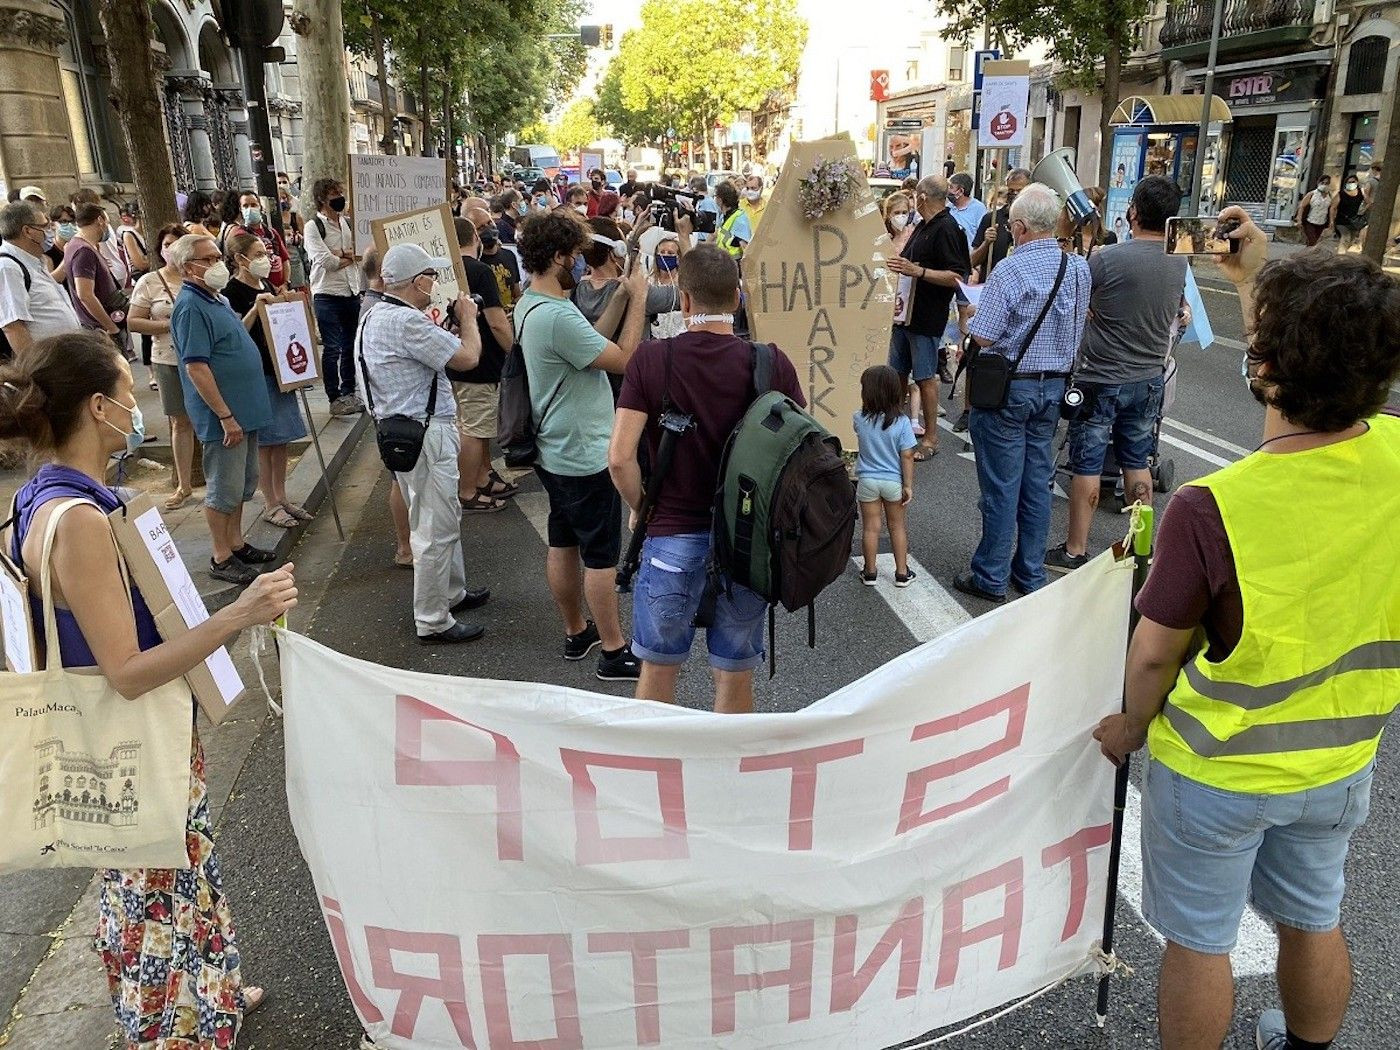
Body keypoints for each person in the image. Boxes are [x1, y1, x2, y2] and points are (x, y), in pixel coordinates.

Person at [1093, 208, 1400, 1050]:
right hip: (1340, 758)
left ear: (1262, 367)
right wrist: (1253, 275)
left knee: (1200, 943)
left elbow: (1153, 653)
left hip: (1218, 770)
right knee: (1313, 918)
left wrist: (1127, 726)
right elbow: (1320, 349)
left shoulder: (1212, 507)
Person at [0, 331, 296, 1049]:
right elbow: (128, 669)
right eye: (130, 390)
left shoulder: (41, 497)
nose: (140, 402)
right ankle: (169, 1031)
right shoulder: (80, 523)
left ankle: (213, 997)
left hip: (103, 738)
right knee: (152, 894)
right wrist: (239, 612)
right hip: (130, 739)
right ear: (98, 407)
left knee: (176, 876)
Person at [608, 243, 806, 712]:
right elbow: (797, 451)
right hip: (745, 542)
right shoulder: (770, 362)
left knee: (659, 668)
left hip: (672, 535)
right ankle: (726, 777)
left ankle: (657, 777)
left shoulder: (653, 360)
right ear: (737, 299)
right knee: (734, 672)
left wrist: (642, 509)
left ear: (685, 300)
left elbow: (619, 458)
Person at [515, 209, 649, 681]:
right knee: (601, 556)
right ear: (556, 257)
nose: (579, 263)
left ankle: (577, 631)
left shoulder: (532, 303)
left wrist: (622, 294)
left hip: (555, 448)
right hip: (583, 453)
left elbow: (591, 339)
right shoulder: (555, 316)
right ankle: (614, 650)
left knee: (563, 540)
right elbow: (625, 360)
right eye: (572, 255)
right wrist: (639, 302)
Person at [954, 183, 1090, 603]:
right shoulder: (1078, 269)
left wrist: (968, 320)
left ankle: (991, 575)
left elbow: (986, 338)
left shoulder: (1010, 270)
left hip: (1010, 391)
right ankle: (1029, 573)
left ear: (1018, 226)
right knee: (1037, 484)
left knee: (1000, 485)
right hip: (1054, 389)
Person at [1046, 175, 1187, 573]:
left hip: (1101, 376)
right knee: (1137, 462)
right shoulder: (1179, 260)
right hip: (1148, 377)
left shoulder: (1107, 258)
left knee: (1087, 464)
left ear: (1134, 212)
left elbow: (1075, 299)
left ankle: (1075, 550)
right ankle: (1140, 548)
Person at [360, 244, 490, 643]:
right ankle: (433, 618)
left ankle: (451, 592)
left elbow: (431, 356)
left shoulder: (375, 315)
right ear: (418, 281)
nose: (435, 283)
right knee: (436, 525)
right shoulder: (406, 322)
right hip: (425, 431)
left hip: (401, 430)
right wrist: (468, 319)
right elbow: (468, 357)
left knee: (435, 514)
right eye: (431, 276)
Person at [168, 233, 278, 585]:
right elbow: (196, 366)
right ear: (188, 268)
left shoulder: (214, 298)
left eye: (218, 257)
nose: (218, 264)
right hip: (224, 416)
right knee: (223, 486)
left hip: (244, 409)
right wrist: (224, 415)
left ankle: (236, 542)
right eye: (210, 259)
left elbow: (235, 337)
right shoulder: (190, 306)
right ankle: (221, 555)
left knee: (243, 482)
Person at [222, 231, 311, 530]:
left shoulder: (268, 283)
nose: (265, 259)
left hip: (280, 370)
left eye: (266, 253)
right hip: (255, 372)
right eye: (258, 254)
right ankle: (269, 502)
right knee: (265, 440)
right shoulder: (230, 292)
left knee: (282, 438)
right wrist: (255, 308)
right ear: (239, 259)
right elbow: (235, 334)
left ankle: (282, 496)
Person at [886, 175, 970, 460]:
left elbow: (958, 275)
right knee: (896, 374)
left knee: (924, 378)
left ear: (921, 197)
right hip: (903, 314)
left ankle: (931, 438)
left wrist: (919, 272)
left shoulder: (946, 228)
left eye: (913, 197)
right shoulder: (923, 225)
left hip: (925, 316)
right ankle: (895, 431)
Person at [449, 217, 517, 512]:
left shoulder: (445, 270)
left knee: (475, 424)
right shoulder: (480, 271)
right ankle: (467, 491)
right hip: (481, 361)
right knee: (475, 429)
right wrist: (515, 351)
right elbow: (496, 322)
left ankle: (483, 475)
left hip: (454, 359)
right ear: (474, 237)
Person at [128, 223, 197, 511]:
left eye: (178, 243)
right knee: (180, 421)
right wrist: (167, 325)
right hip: (168, 359)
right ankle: (184, 484)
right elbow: (133, 321)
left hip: (203, 358)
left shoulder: (200, 277)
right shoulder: (149, 282)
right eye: (166, 244)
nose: (171, 249)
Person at [853, 364, 916, 587]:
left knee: (871, 527)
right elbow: (907, 456)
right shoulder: (902, 423)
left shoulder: (859, 418)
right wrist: (907, 485)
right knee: (897, 526)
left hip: (868, 480)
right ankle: (901, 573)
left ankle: (870, 572)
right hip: (893, 481)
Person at [304, 177, 363, 416]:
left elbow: (360, 253)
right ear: (321, 200)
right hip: (327, 294)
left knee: (350, 345)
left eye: (341, 193)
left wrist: (343, 254)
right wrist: (350, 255)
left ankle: (348, 390)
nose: (339, 198)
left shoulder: (347, 223)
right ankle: (334, 396)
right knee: (332, 347)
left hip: (351, 290)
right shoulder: (313, 227)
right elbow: (326, 262)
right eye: (334, 195)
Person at [0, 201, 80, 354]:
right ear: (28, 231)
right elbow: (13, 327)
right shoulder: (8, 267)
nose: (51, 231)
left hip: (64, 360)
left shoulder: (33, 260)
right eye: (45, 226)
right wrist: (36, 370)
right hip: (47, 366)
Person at [62, 203, 124, 345]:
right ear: (100, 221)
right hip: (99, 329)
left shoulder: (76, 245)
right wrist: (111, 327)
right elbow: (85, 295)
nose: (107, 228)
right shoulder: (84, 251)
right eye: (107, 223)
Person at [228, 192, 290, 290]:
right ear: (240, 209)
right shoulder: (240, 234)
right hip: (258, 289)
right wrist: (270, 287)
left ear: (260, 206)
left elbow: (285, 259)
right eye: (245, 206)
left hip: (281, 289)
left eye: (253, 205)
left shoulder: (271, 233)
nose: (250, 209)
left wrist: (285, 283)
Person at [947, 173, 988, 249]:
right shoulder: (948, 207)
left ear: (961, 191)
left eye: (951, 187)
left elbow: (982, 235)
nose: (948, 190)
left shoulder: (978, 208)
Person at [713, 182, 752, 259]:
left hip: (735, 265)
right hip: (724, 263)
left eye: (715, 197)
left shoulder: (739, 218)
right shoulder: (724, 216)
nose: (715, 200)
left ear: (720, 200)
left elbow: (745, 248)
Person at [1330, 175, 1366, 253]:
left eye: (1353, 182)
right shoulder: (1341, 194)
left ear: (1357, 182)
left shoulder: (1361, 192)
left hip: (1354, 222)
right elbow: (1333, 208)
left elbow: (1369, 202)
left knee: (1351, 241)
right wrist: (1332, 221)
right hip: (1342, 221)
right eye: (1349, 182)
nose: (1351, 183)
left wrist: (1363, 210)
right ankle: (1340, 257)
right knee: (1346, 237)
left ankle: (1341, 252)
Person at [1294, 175, 1333, 247]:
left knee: (1315, 242)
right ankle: (1308, 255)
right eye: (1322, 183)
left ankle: (1307, 255)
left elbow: (1331, 209)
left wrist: (1331, 221)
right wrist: (1299, 219)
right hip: (1310, 221)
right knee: (1312, 241)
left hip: (1322, 222)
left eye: (1327, 183)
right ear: (1318, 183)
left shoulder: (1329, 196)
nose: (1324, 185)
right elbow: (1302, 206)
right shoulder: (1312, 194)